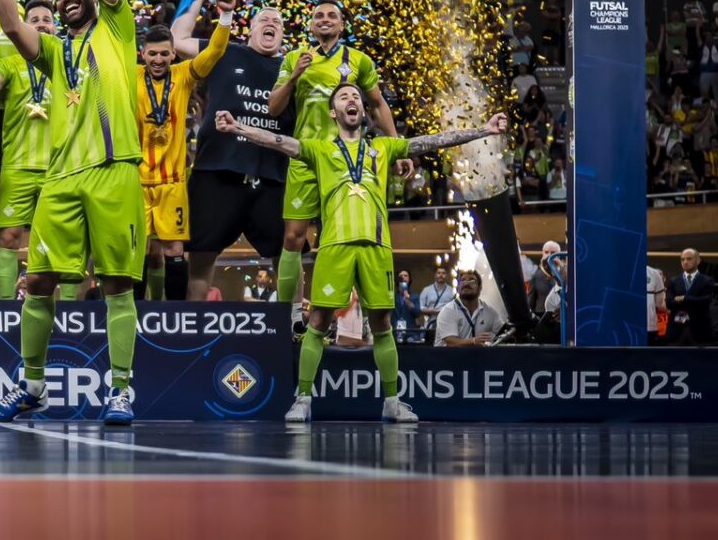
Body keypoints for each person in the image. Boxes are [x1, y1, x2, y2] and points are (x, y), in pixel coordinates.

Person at [214, 86, 508, 422]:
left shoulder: (382, 149)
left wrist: (484, 129)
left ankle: (392, 402)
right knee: (318, 323)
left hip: (376, 249)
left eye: (356, 96)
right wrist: (238, 128)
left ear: (363, 110)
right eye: (343, 98)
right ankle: (303, 399)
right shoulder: (320, 150)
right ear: (332, 113)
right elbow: (280, 142)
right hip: (334, 247)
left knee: (382, 325)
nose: (352, 100)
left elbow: (432, 141)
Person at [0, 0, 147, 428]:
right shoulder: (55, 52)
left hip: (114, 172)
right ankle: (32, 387)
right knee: (41, 282)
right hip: (60, 181)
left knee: (117, 285)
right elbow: (9, 23)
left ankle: (121, 391)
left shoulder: (118, 30)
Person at [266, 0, 402, 328]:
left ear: (342, 25)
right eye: (318, 16)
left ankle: (358, 322)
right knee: (292, 238)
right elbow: (273, 108)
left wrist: (398, 147)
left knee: (344, 239)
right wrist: (295, 75)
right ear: (311, 24)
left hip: (347, 161)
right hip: (307, 157)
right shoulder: (295, 58)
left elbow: (378, 104)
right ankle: (291, 316)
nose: (325, 20)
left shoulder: (359, 60)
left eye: (332, 16)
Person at [173, 0, 289, 301]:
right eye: (263, 20)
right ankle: (194, 327)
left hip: (271, 175)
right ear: (249, 30)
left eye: (277, 22)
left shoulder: (292, 68)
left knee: (288, 255)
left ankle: (293, 326)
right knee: (200, 257)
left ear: (282, 36)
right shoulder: (226, 51)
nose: (270, 24)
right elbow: (177, 40)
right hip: (217, 170)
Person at [136, 6, 231, 301]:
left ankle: (173, 317)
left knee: (174, 250)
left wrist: (225, 17)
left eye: (164, 53)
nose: (158, 60)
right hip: (135, 182)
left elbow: (214, 52)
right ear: (143, 54)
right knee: (137, 250)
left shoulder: (184, 75)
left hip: (173, 182)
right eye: (153, 54)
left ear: (173, 54)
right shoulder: (131, 75)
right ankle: (135, 314)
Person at [0, 0, 58, 299]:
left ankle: (65, 306)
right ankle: (7, 309)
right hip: (17, 166)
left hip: (58, 168)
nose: (41, 24)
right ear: (23, 27)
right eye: (33, 20)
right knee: (8, 237)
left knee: (58, 240)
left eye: (46, 19)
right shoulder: (10, 63)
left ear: (55, 26)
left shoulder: (66, 60)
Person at [433, 269, 503, 347]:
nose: (466, 283)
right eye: (462, 280)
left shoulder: (489, 312)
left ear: (479, 288)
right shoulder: (448, 311)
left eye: (472, 280)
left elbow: (502, 333)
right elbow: (451, 342)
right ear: (457, 288)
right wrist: (474, 341)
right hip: (447, 357)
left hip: (475, 357)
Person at [666, 247, 718, 345]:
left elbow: (706, 301)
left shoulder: (707, 281)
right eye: (682, 259)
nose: (685, 262)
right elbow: (669, 303)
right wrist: (692, 301)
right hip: (677, 330)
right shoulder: (674, 281)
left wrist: (684, 298)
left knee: (701, 359)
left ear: (698, 261)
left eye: (689, 259)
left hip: (700, 330)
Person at [418, 266, 456, 333]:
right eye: (438, 273)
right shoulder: (426, 290)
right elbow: (420, 307)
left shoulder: (452, 291)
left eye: (443, 273)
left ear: (447, 275)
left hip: (447, 324)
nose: (441, 275)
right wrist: (430, 311)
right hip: (430, 325)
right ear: (435, 275)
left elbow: (456, 308)